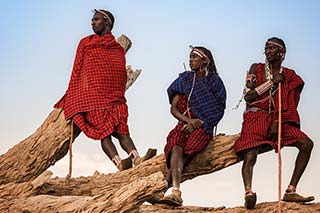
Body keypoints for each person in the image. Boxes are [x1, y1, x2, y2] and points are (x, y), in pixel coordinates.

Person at [54, 9, 156, 172]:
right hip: (93, 98)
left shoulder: (116, 49)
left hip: (114, 98)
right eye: (92, 20)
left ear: (107, 22)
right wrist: (74, 91)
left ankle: (137, 159)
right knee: (104, 134)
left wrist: (115, 92)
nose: (92, 22)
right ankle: (119, 163)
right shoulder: (85, 43)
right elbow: (78, 68)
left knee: (123, 132)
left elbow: (118, 73)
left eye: (96, 20)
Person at [234, 37, 315, 209]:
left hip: (280, 118)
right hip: (256, 116)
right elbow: (248, 96)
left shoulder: (290, 76)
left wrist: (278, 120)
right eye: (266, 48)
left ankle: (291, 190)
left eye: (272, 48)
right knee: (250, 153)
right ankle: (248, 192)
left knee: (307, 144)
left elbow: (291, 100)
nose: (268, 51)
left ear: (282, 53)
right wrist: (272, 82)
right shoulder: (255, 69)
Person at [155, 46, 226, 206]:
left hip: (203, 126)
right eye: (190, 57)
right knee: (176, 146)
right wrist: (188, 121)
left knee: (187, 151)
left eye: (194, 57)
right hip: (183, 123)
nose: (190, 60)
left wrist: (198, 123)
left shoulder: (215, 82)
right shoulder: (185, 80)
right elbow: (173, 108)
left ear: (205, 60)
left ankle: (168, 191)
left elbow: (219, 108)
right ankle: (174, 190)